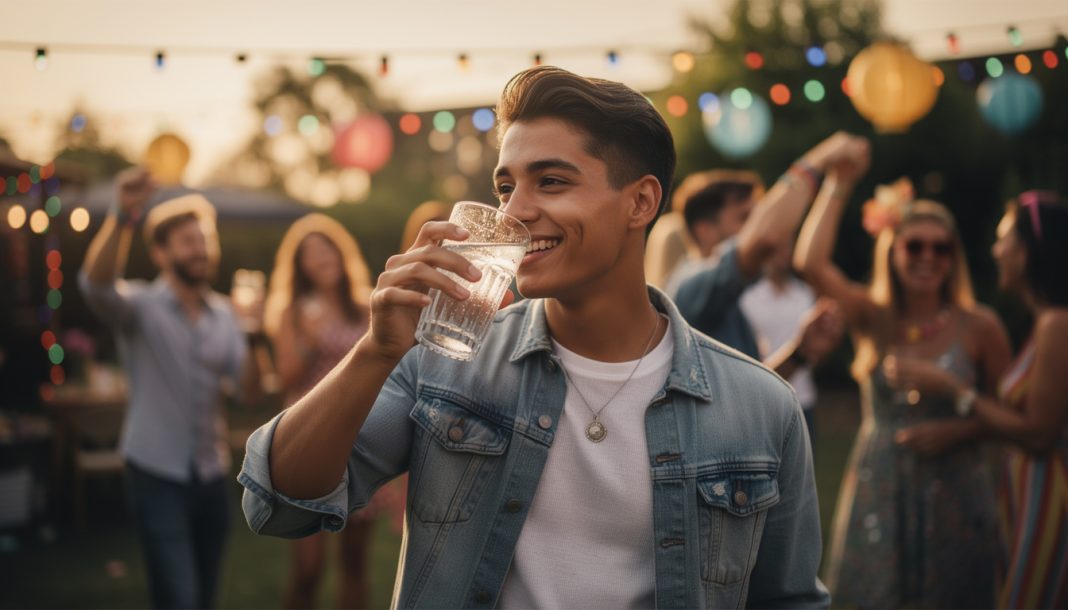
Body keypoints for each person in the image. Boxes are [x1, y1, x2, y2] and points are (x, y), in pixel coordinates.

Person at [238, 65, 830, 609]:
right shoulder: (445, 362)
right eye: (505, 188)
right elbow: (276, 504)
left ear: (640, 202)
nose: (514, 212)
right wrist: (375, 352)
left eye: (550, 181)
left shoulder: (761, 407)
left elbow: (788, 600)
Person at [794, 173, 1014, 608]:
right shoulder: (872, 316)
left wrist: (957, 429)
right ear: (892, 251)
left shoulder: (980, 325)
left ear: (954, 258)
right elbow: (810, 263)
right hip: (882, 484)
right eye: (914, 246)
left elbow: (1012, 420)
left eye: (941, 248)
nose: (928, 257)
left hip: (957, 487)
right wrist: (839, 179)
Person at [79, 168, 268, 609]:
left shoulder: (227, 315)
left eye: (204, 239)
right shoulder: (139, 307)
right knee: (179, 599)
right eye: (188, 241)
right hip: (154, 473)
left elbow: (250, 393)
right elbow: (94, 284)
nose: (200, 249)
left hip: (211, 473)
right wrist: (122, 215)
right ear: (160, 253)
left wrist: (256, 336)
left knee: (204, 597)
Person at [264, 213, 399, 609]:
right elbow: (287, 377)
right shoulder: (292, 311)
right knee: (308, 568)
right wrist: (309, 338)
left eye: (326, 248)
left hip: (359, 439)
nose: (321, 257)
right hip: (307, 438)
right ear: (300, 266)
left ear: (341, 254)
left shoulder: (366, 306)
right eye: (310, 253)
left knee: (354, 562)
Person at [958, 191, 1067, 609]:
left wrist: (957, 393)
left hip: (1051, 497)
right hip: (1027, 490)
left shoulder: (1057, 323)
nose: (995, 250)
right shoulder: (1044, 322)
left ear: (1027, 252)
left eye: (1003, 239)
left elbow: (1039, 434)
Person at [668, 154, 854, 383]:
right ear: (705, 230)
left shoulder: (724, 297)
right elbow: (766, 237)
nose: (755, 227)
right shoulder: (691, 287)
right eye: (746, 217)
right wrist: (821, 159)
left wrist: (800, 352)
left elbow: (749, 391)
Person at [739, 237, 819, 441]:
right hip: (764, 400)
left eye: (787, 245)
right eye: (777, 246)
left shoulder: (805, 294)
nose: (783, 252)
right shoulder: (748, 297)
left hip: (803, 398)